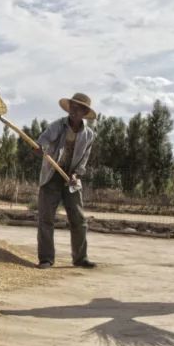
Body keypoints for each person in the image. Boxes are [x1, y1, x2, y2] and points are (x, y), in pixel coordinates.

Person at [36, 93, 97, 269]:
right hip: (51, 175)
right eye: (72, 106)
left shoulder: (89, 135)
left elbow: (84, 160)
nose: (73, 110)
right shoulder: (57, 126)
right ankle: (46, 259)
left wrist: (76, 175)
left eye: (78, 108)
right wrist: (40, 148)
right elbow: (43, 141)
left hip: (72, 178)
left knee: (79, 219)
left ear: (85, 112)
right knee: (46, 218)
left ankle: (80, 258)